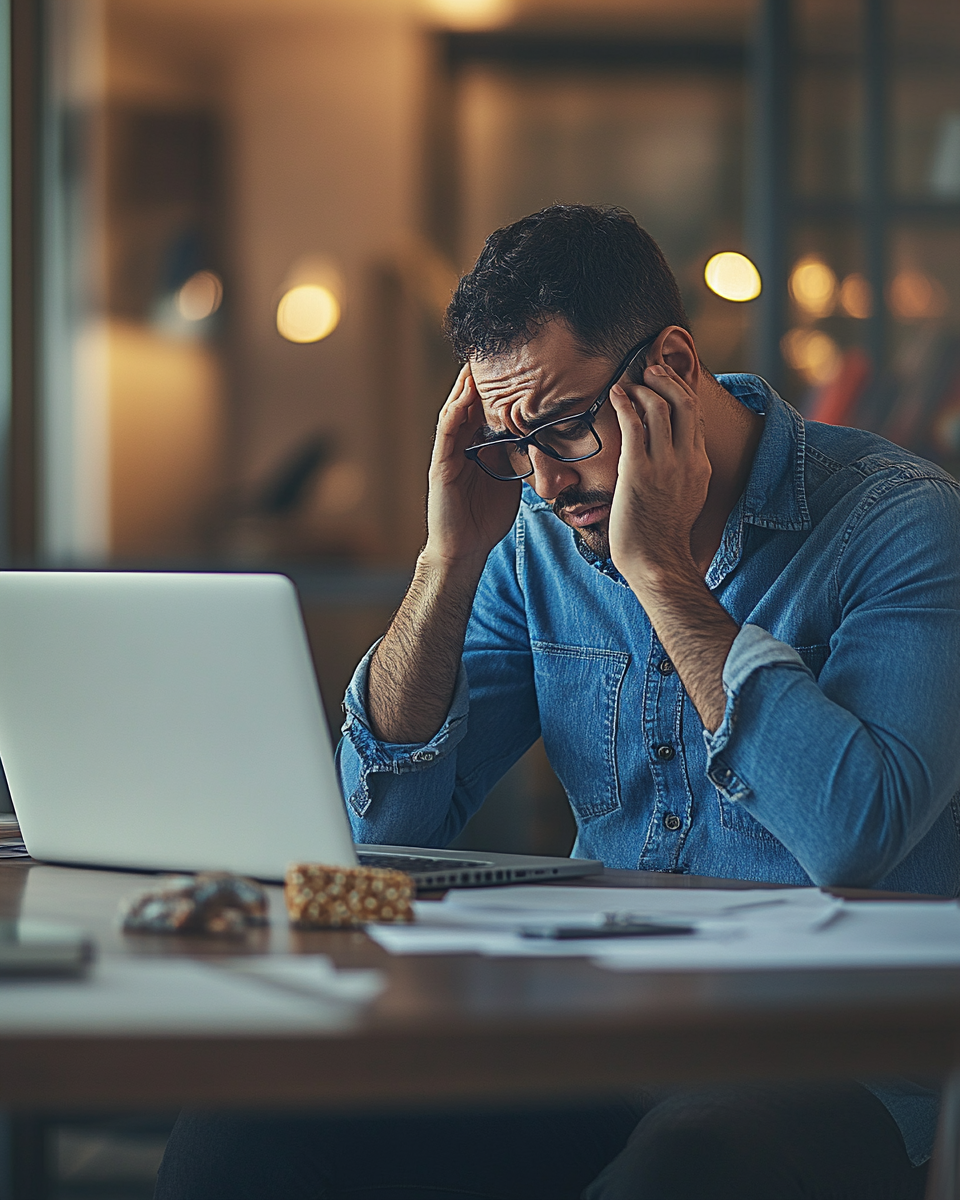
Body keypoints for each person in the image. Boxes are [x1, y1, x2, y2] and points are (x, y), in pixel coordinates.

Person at [156, 205, 960, 1199]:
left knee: (685, 1168)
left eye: (566, 425)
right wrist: (447, 562)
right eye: (511, 443)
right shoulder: (535, 536)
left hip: (830, 1059)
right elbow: (381, 824)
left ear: (672, 363)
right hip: (594, 1037)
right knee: (246, 1126)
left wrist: (662, 575)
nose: (541, 481)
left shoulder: (905, 526)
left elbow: (855, 835)